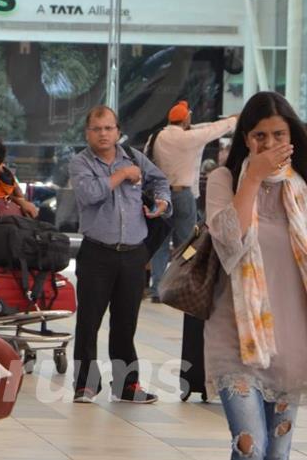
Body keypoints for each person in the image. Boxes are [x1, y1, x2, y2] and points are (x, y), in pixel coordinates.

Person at [206, 92, 307, 460]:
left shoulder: (302, 189)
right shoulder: (224, 180)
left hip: (293, 343)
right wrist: (250, 177)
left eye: (280, 135)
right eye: (260, 135)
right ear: (246, 138)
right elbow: (230, 243)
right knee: (251, 446)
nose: (271, 144)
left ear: (293, 139)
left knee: (279, 459)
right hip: (236, 340)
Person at [69, 105, 171, 405]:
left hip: (133, 254)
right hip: (97, 252)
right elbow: (89, 194)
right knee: (89, 321)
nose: (103, 134)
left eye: (109, 128)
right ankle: (85, 385)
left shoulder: (135, 157)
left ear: (118, 130)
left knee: (126, 323)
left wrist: (162, 202)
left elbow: (160, 181)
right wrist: (121, 174)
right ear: (88, 133)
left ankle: (126, 386)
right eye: (97, 129)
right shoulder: (80, 163)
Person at [149, 101, 237, 299]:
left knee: (160, 243)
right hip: (182, 195)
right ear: (186, 118)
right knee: (188, 243)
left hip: (160, 195)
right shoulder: (189, 138)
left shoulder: (157, 136)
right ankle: (182, 284)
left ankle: (157, 288)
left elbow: (202, 127)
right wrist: (233, 120)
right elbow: (213, 130)